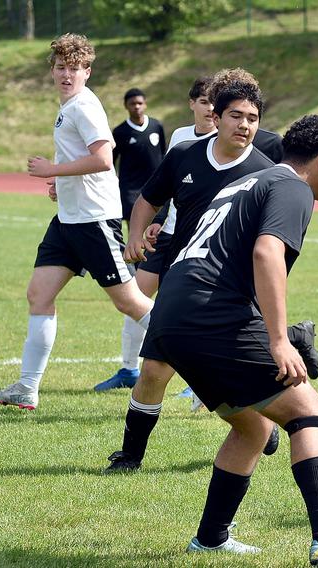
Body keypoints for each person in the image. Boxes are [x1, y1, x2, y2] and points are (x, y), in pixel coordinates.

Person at [144, 113, 318, 564]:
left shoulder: (251, 182)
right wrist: (278, 340)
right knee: (308, 412)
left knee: (253, 425)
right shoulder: (293, 187)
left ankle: (211, 538)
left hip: (171, 318)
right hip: (210, 314)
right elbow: (266, 252)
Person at [102, 69, 318, 472]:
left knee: (219, 372)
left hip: (233, 288)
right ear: (216, 118)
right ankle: (129, 456)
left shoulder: (264, 170)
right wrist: (136, 235)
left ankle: (264, 413)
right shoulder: (184, 155)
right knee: (153, 371)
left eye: (253, 118)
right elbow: (149, 199)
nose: (245, 125)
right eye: (236, 116)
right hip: (183, 277)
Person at [0, 33, 153, 411]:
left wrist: (53, 169)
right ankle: (27, 387)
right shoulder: (69, 105)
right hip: (68, 220)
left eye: (74, 68)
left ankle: (199, 357)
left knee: (128, 302)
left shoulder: (84, 106)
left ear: (87, 72)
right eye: (61, 67)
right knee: (39, 294)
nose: (66, 74)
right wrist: (62, 182)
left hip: (93, 220)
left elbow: (105, 158)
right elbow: (86, 162)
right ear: (53, 70)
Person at [94, 77, 215, 392]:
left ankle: (199, 377)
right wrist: (158, 219)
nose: (209, 108)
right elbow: (168, 183)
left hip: (196, 240)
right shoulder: (180, 136)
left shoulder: (225, 142)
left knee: (191, 310)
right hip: (166, 235)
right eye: (203, 101)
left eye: (215, 102)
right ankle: (127, 370)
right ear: (191, 103)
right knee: (136, 297)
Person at [111, 88, 166, 228]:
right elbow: (111, 160)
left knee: (156, 227)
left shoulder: (156, 126)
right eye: (132, 103)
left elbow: (163, 153)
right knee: (134, 227)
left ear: (145, 104)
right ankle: (134, 250)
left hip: (155, 184)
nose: (136, 106)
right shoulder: (120, 132)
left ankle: (152, 251)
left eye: (140, 103)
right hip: (131, 188)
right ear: (125, 105)